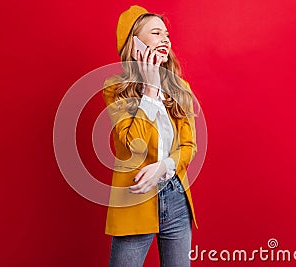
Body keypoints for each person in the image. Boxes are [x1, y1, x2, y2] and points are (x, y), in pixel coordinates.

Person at [102, 5, 199, 267]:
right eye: (156, 33)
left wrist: (164, 167)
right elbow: (134, 146)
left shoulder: (181, 88)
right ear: (134, 44)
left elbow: (189, 146)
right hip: (135, 200)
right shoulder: (114, 88)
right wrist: (151, 88)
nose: (165, 39)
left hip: (177, 197)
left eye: (167, 34)